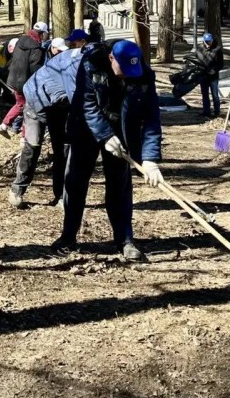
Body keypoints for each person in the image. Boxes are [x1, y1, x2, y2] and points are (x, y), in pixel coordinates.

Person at [52, 40, 163, 261]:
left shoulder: (143, 73)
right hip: (86, 128)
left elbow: (151, 117)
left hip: (121, 130)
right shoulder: (91, 64)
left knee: (120, 185)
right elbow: (87, 105)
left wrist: (150, 159)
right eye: (124, 71)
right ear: (111, 58)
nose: (128, 76)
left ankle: (125, 239)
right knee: (75, 182)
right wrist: (104, 135)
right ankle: (68, 236)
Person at [9, 44, 82, 209]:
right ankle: (17, 190)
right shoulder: (74, 66)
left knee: (63, 149)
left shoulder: (86, 66)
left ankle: (61, 195)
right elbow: (80, 101)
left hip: (60, 107)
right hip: (36, 102)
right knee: (33, 146)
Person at [0, 22, 49, 138]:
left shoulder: (20, 41)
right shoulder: (37, 49)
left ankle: (5, 125)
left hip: (13, 79)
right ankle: (24, 136)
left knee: (20, 104)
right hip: (26, 83)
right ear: (41, 34)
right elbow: (35, 68)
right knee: (28, 107)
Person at [191, 33, 224, 118]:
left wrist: (215, 70)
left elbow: (221, 63)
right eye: (206, 42)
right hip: (203, 75)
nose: (208, 44)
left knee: (215, 95)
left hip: (213, 76)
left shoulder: (217, 49)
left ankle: (217, 112)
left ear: (212, 41)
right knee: (205, 94)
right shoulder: (199, 49)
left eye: (210, 42)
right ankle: (206, 111)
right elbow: (195, 59)